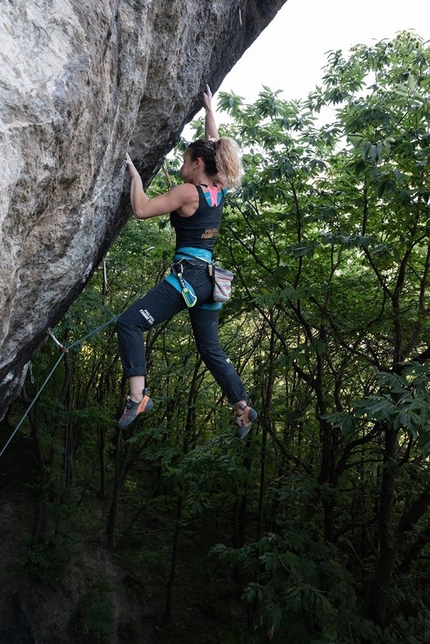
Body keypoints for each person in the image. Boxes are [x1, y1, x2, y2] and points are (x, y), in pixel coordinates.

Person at [116, 85, 257, 439]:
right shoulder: (218, 188)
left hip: (190, 278)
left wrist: (136, 177)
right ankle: (242, 407)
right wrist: (210, 110)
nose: (181, 166)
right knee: (210, 349)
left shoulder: (188, 192)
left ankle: (137, 397)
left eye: (185, 160)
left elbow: (142, 209)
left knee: (129, 324)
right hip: (211, 281)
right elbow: (214, 146)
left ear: (197, 165)